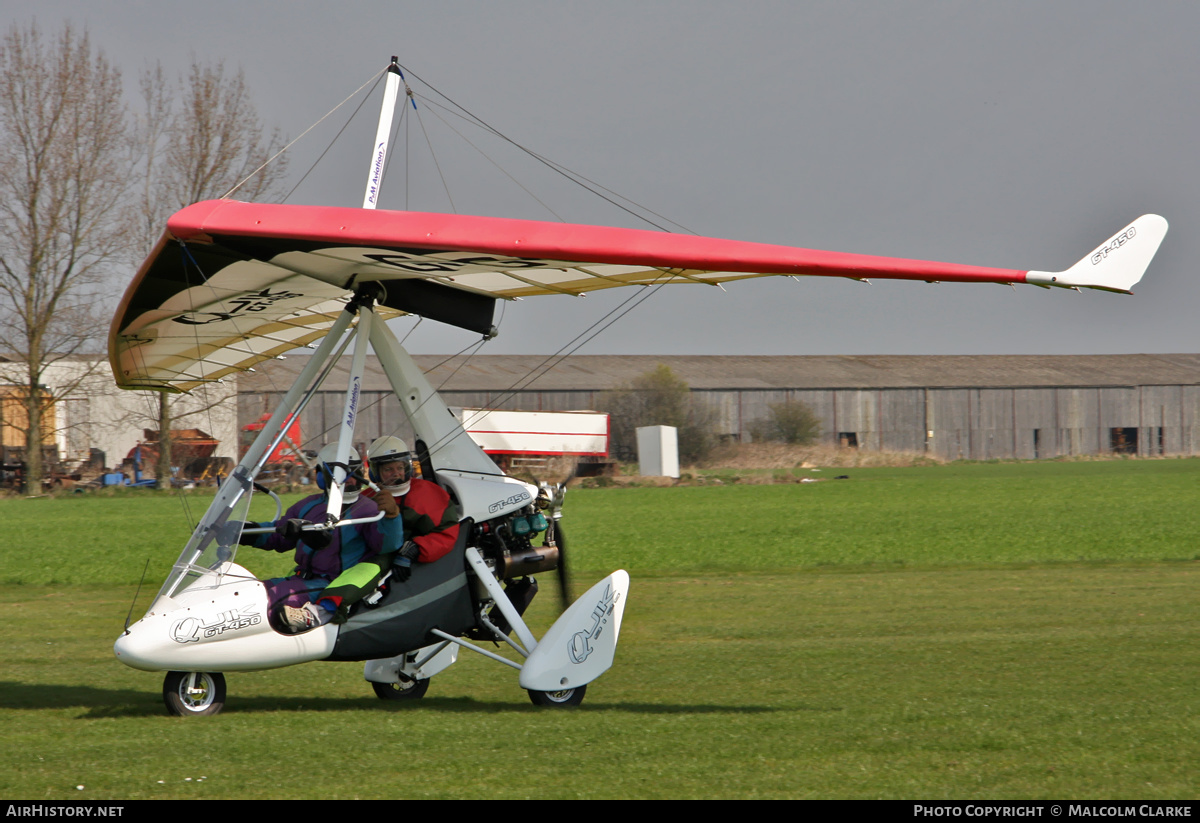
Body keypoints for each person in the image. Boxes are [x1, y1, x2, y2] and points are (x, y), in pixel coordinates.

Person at [239, 443, 403, 633]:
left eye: (354, 473)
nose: (349, 480)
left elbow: (387, 546)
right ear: (321, 475)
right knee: (251, 592)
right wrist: (247, 532)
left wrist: (392, 516)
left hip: (330, 584)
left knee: (272, 598)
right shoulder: (309, 506)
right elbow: (279, 536)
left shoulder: (369, 510)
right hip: (299, 577)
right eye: (341, 474)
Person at [305, 435, 461, 625]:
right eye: (388, 469)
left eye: (400, 467)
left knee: (370, 567)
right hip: (372, 549)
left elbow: (447, 531)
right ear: (374, 472)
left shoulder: (429, 494)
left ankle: (327, 607)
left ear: (408, 467)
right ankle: (307, 587)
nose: (396, 474)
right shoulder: (367, 498)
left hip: (403, 556)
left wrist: (416, 549)